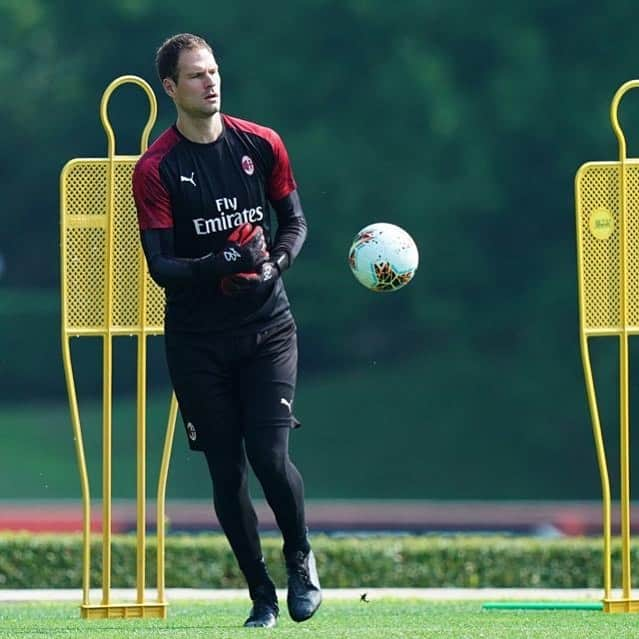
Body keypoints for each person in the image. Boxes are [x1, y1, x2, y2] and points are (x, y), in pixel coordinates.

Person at [132, 33, 321, 628]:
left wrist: (273, 266)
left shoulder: (260, 143)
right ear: (171, 88)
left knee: (269, 456)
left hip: (268, 328)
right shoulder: (157, 168)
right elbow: (161, 268)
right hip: (197, 343)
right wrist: (219, 266)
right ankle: (260, 593)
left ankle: (299, 557)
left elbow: (293, 223)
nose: (209, 82)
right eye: (194, 75)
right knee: (226, 470)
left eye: (213, 71)